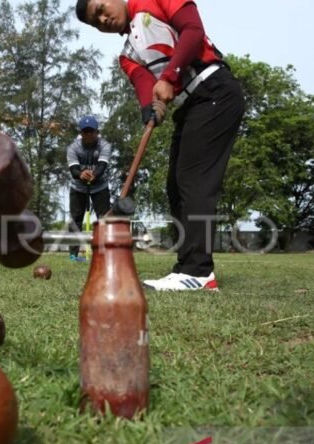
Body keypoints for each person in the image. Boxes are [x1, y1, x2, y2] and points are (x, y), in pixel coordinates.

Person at [76, 0, 244, 290]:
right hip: (190, 106)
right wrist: (149, 109)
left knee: (193, 180)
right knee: (176, 186)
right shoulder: (127, 55)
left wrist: (169, 76)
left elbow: (193, 30)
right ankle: (187, 268)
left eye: (102, 8)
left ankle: (198, 272)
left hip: (214, 90)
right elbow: (144, 87)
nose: (103, 19)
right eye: (96, 21)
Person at [66, 115, 112, 262]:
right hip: (78, 187)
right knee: (76, 220)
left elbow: (102, 166)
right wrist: (81, 174)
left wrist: (94, 175)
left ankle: (102, 253)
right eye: (85, 132)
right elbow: (73, 171)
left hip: (100, 187)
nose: (89, 135)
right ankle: (73, 255)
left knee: (104, 219)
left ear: (97, 132)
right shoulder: (73, 148)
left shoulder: (104, 146)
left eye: (91, 131)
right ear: (81, 133)